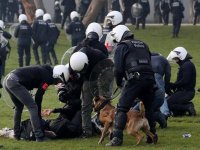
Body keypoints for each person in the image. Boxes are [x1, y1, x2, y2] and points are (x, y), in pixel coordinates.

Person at [106, 25, 157, 146]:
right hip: (150, 79)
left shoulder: (122, 46)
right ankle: (152, 136)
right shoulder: (143, 44)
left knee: (122, 108)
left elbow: (118, 69)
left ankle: (117, 139)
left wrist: (119, 82)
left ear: (119, 35)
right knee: (149, 109)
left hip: (135, 80)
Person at [3, 65, 60, 142]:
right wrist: (39, 116)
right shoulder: (49, 78)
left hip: (8, 79)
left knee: (18, 107)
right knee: (33, 107)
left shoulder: (45, 70)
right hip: (14, 81)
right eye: (59, 80)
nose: (58, 83)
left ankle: (16, 134)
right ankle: (39, 136)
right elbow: (38, 96)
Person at [69, 48, 108, 138]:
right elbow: (73, 76)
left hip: (102, 77)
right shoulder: (73, 61)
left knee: (104, 104)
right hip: (87, 79)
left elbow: (109, 70)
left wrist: (103, 90)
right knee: (85, 106)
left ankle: (107, 127)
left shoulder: (99, 56)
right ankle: (87, 132)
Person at [166, 47, 196, 116]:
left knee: (168, 103)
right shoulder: (186, 65)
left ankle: (187, 107)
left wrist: (174, 85)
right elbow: (183, 80)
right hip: (185, 92)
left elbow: (185, 80)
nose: (176, 61)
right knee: (176, 113)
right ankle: (185, 108)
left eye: (176, 59)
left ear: (181, 56)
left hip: (186, 92)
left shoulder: (187, 65)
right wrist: (174, 85)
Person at [151, 52, 171, 128]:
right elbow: (168, 75)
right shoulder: (164, 59)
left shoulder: (147, 57)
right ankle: (165, 114)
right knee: (161, 95)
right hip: (157, 75)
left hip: (146, 76)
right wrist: (167, 88)